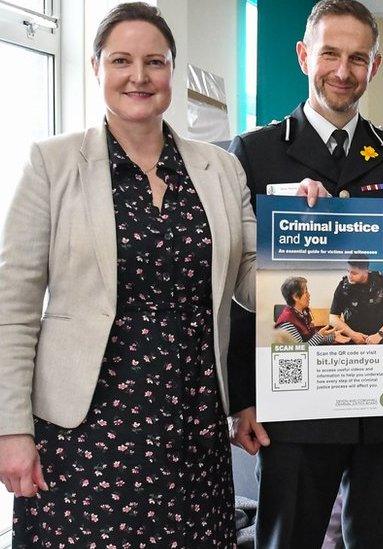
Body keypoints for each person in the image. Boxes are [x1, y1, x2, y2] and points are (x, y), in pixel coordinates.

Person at [0, 3, 255, 547]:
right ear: (97, 68)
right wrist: (11, 431)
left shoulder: (220, 168)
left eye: (154, 62)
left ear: (172, 72)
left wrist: (306, 224)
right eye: (121, 60)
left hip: (192, 432)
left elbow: (254, 282)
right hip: (86, 436)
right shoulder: (53, 164)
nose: (139, 76)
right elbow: (13, 311)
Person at [225, 1, 383, 546]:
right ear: (305, 56)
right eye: (330, 53)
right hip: (294, 406)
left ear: (374, 67)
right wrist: (241, 397)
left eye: (359, 57)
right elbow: (236, 288)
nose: (343, 70)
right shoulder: (255, 153)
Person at [329, 255, 383, 345]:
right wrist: (353, 335)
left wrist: (379, 335)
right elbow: (333, 318)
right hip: (354, 338)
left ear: (366, 271)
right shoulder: (343, 286)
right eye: (348, 271)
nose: (349, 276)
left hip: (381, 337)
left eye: (354, 273)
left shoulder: (381, 283)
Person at [275, 276, 349, 344]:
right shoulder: (287, 323)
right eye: (306, 292)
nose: (309, 295)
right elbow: (300, 351)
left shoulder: (302, 313)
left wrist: (332, 337)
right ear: (296, 297)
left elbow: (311, 340)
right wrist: (319, 335)